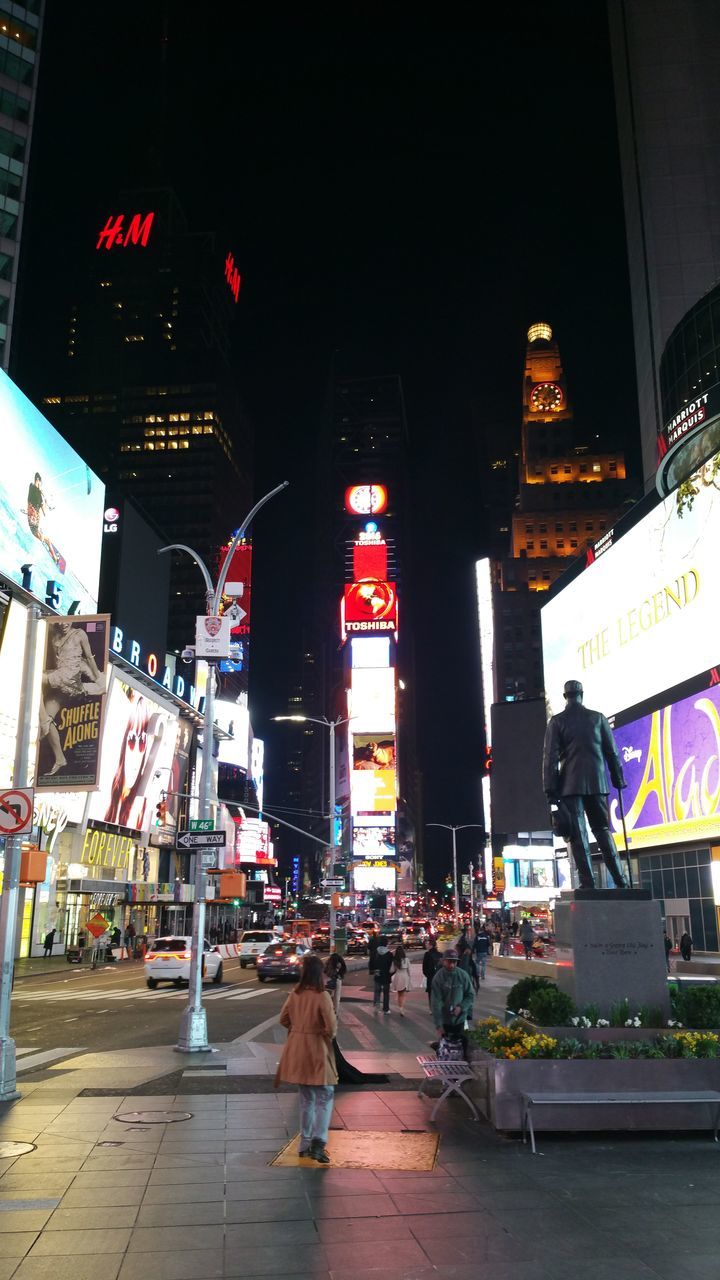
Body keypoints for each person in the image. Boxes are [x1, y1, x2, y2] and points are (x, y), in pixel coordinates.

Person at [542, 679, 628, 890]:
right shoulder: (598, 719)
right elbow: (612, 753)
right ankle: (621, 881)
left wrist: (550, 788)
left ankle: (588, 883)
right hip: (597, 784)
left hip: (570, 786)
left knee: (578, 835)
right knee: (603, 831)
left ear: (565, 696)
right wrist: (618, 779)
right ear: (582, 694)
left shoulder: (557, 721)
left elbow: (550, 758)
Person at [275, 953, 338, 1164]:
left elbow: (283, 1019)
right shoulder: (322, 996)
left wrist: (297, 1029)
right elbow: (331, 1028)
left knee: (306, 1098)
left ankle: (304, 1143)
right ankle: (319, 1143)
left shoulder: (295, 994)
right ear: (320, 973)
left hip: (297, 1049)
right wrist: (320, 1032)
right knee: (325, 1095)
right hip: (316, 1049)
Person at [430, 949, 475, 1059]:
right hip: (445, 1020)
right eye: (449, 961)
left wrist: (461, 1007)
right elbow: (436, 1003)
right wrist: (439, 1025)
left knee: (462, 1045)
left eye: (454, 962)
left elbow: (470, 995)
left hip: (460, 1018)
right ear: (443, 961)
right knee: (445, 1049)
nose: (451, 964)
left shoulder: (463, 975)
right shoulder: (438, 978)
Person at [373, 936, 393, 1013]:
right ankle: (386, 1009)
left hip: (377, 974)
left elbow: (372, 963)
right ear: (386, 944)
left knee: (377, 991)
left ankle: (377, 1007)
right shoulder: (389, 954)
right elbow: (391, 966)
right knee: (386, 993)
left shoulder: (376, 952)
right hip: (386, 975)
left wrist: (374, 970)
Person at [391, 944, 412, 1016]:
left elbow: (392, 970)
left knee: (399, 993)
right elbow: (409, 970)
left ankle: (400, 1008)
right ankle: (402, 1009)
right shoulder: (406, 960)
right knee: (403, 994)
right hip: (405, 976)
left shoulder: (395, 961)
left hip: (398, 976)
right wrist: (409, 978)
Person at [324, 950, 347, 1015]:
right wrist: (335, 1013)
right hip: (329, 1010)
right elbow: (336, 998)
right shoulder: (337, 979)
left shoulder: (324, 974)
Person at [422, 937, 441, 1009]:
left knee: (430, 993)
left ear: (431, 945)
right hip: (439, 976)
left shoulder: (427, 954)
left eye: (427, 944)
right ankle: (438, 1006)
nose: (426, 945)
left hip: (430, 976)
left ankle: (431, 1008)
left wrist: (427, 974)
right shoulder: (440, 954)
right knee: (438, 992)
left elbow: (424, 967)